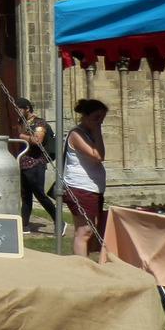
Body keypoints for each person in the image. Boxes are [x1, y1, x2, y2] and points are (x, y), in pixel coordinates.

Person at [62, 98, 108, 258]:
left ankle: (85, 263)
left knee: (91, 230)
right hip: (80, 187)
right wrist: (97, 131)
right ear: (85, 116)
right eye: (96, 118)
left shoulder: (90, 134)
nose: (100, 122)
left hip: (92, 187)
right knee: (84, 231)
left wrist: (96, 131)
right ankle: (81, 268)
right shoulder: (76, 134)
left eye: (102, 118)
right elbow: (98, 155)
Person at [15, 97, 59, 233]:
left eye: (20, 108)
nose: (17, 111)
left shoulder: (39, 123)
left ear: (27, 108)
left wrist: (22, 137)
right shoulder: (21, 122)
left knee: (40, 195)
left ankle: (59, 221)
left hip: (36, 164)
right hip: (24, 163)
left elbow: (37, 140)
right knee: (26, 196)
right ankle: (24, 225)